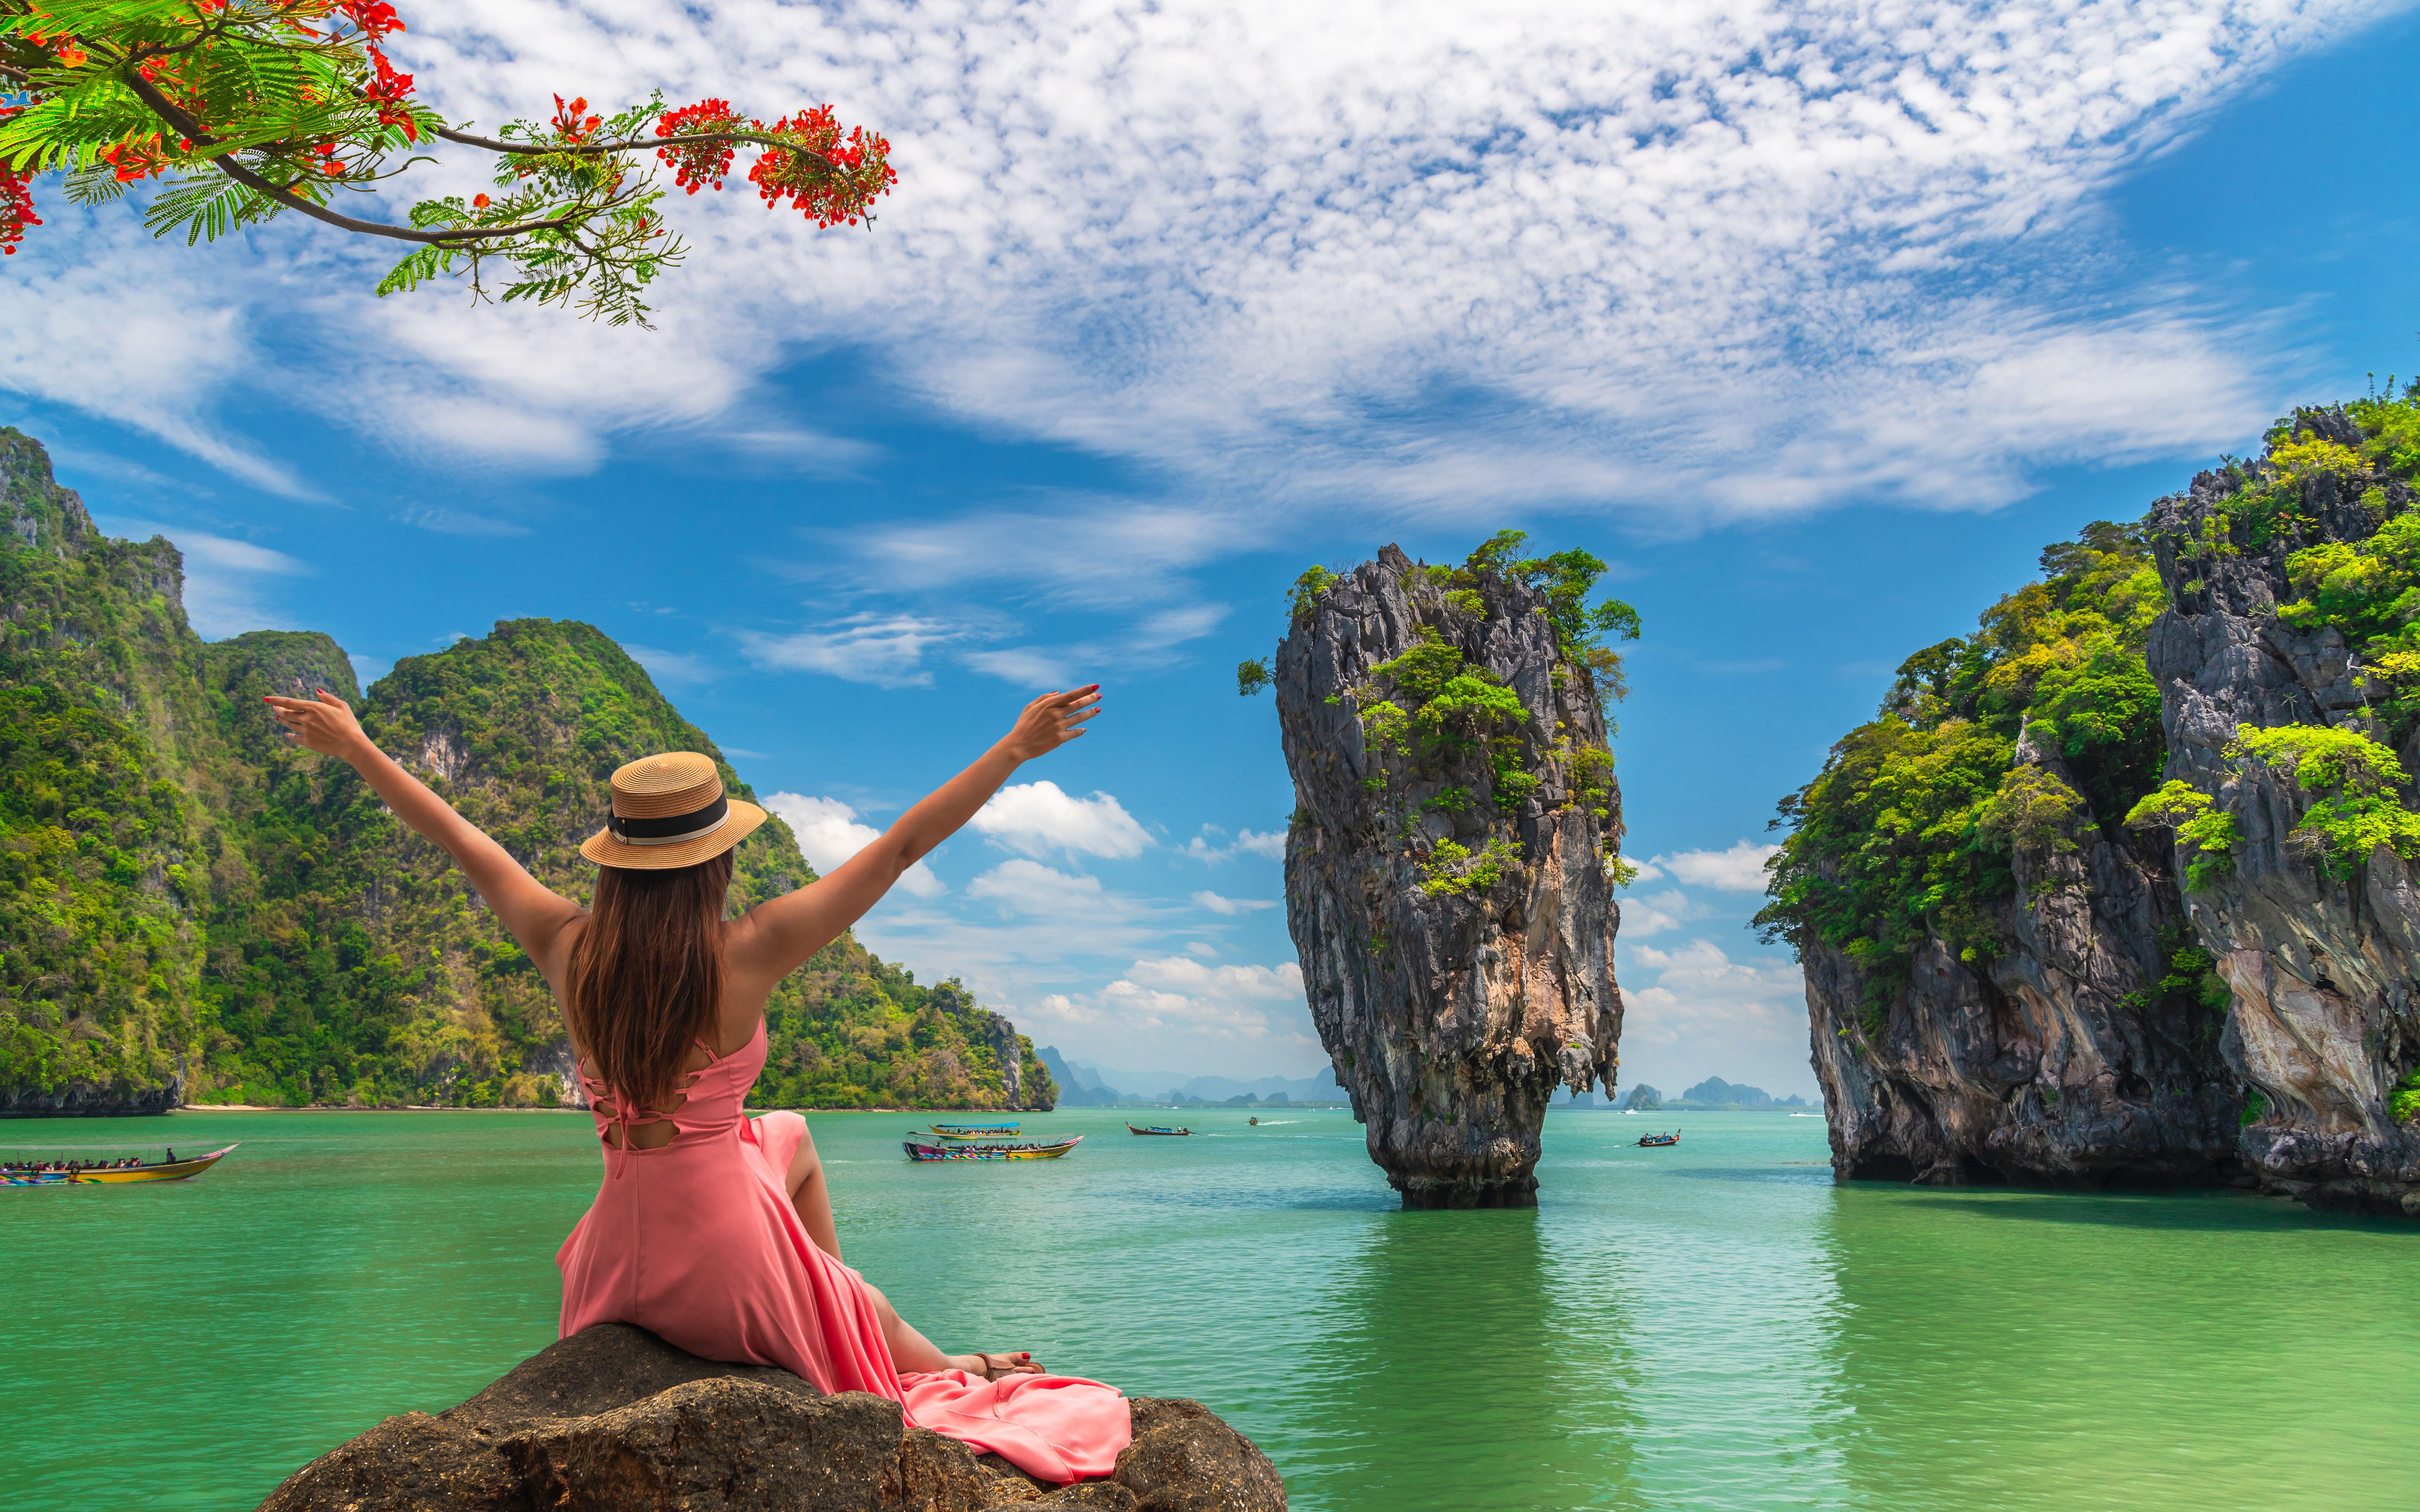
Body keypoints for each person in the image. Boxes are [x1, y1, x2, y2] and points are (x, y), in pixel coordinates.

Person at [265, 682, 1127, 1484]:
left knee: (784, 1128)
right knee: (846, 1281)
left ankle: (846, 1299)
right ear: (714, 858)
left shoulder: (566, 945)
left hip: (611, 1264)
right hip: (724, 1266)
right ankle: (916, 1346)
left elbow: (462, 838)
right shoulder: (747, 948)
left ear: (617, 857)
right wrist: (1013, 748)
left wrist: (358, 746)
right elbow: (898, 847)